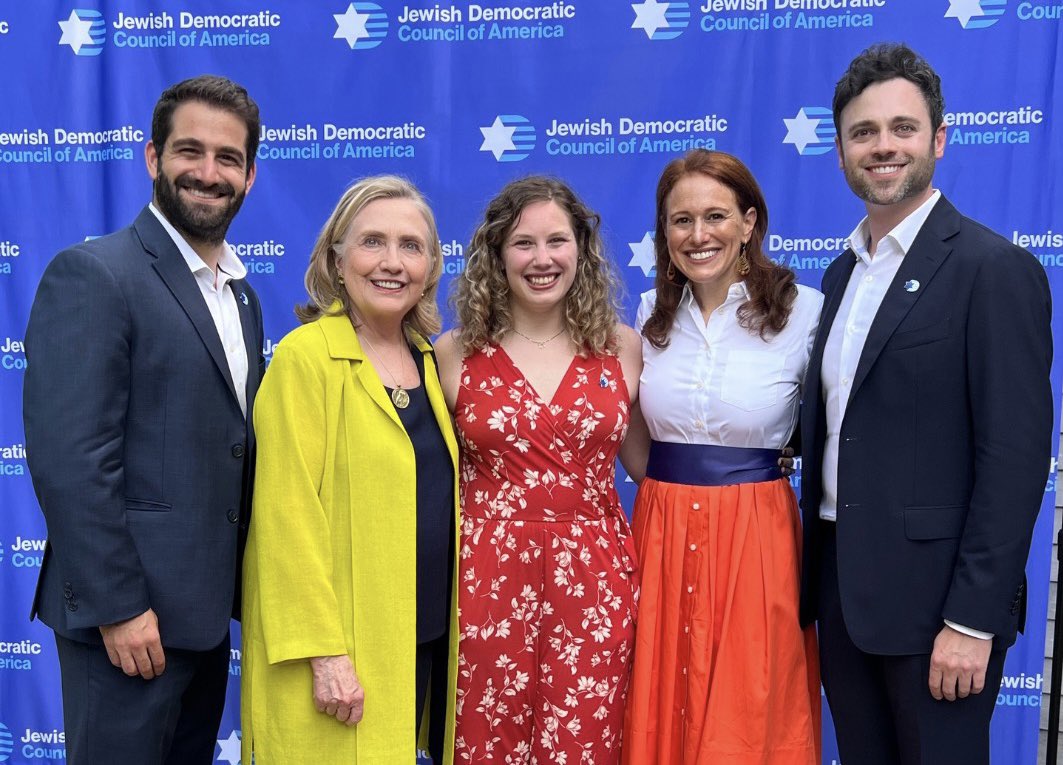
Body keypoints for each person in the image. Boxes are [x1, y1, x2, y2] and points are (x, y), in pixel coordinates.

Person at [798, 43, 1053, 764]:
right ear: (840, 153)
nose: (883, 146)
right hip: (842, 598)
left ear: (938, 139)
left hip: (938, 612)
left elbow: (1013, 459)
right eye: (863, 132)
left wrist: (972, 619)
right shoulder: (840, 276)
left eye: (902, 128)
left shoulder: (992, 269)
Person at [22, 75, 263, 764]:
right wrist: (120, 608)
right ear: (153, 156)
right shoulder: (95, 274)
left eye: (228, 158)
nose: (208, 173)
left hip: (204, 625)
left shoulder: (242, 298)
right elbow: (72, 460)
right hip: (126, 628)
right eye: (190, 151)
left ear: (249, 175)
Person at [240, 175, 459, 764]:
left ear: (430, 268)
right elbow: (284, 518)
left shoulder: (428, 361)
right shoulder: (304, 358)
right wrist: (325, 655)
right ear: (337, 261)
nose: (392, 262)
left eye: (411, 246)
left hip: (416, 641)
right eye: (372, 242)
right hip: (337, 661)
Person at [622, 149, 823, 765]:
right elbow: (632, 436)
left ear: (749, 221)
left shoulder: (805, 311)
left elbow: (838, 424)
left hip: (758, 534)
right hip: (660, 530)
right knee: (660, 699)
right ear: (664, 233)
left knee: (751, 705)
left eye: (715, 216)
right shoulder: (648, 317)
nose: (698, 235)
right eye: (681, 220)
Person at [435, 176, 642, 763]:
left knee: (587, 739)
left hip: (596, 580)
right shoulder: (452, 352)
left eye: (557, 241)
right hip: (485, 580)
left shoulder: (623, 347)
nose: (542, 259)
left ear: (582, 248)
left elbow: (652, 468)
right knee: (486, 738)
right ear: (497, 254)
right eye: (523, 243)